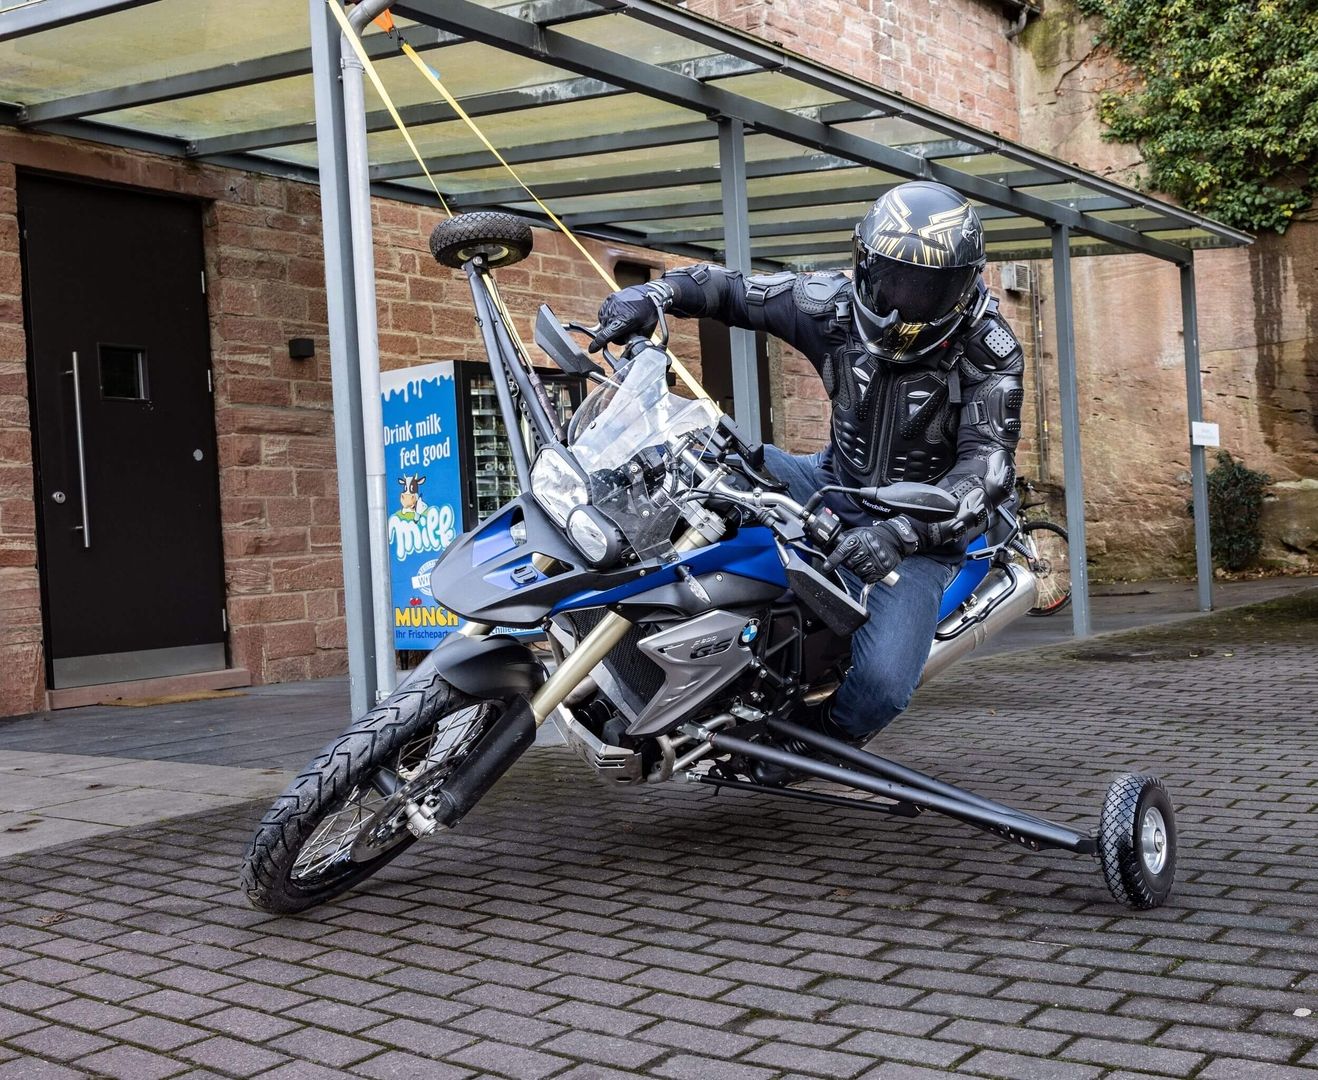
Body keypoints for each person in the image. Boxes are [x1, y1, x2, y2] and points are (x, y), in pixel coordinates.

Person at [590, 181, 1024, 745]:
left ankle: (809, 736)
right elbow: (729, 288)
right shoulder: (832, 305)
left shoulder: (987, 351)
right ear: (863, 261)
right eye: (890, 278)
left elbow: (987, 470)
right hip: (830, 481)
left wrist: (901, 532)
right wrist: (656, 296)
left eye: (925, 288)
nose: (901, 303)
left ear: (966, 284)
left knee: (881, 687)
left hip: (917, 533)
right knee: (689, 462)